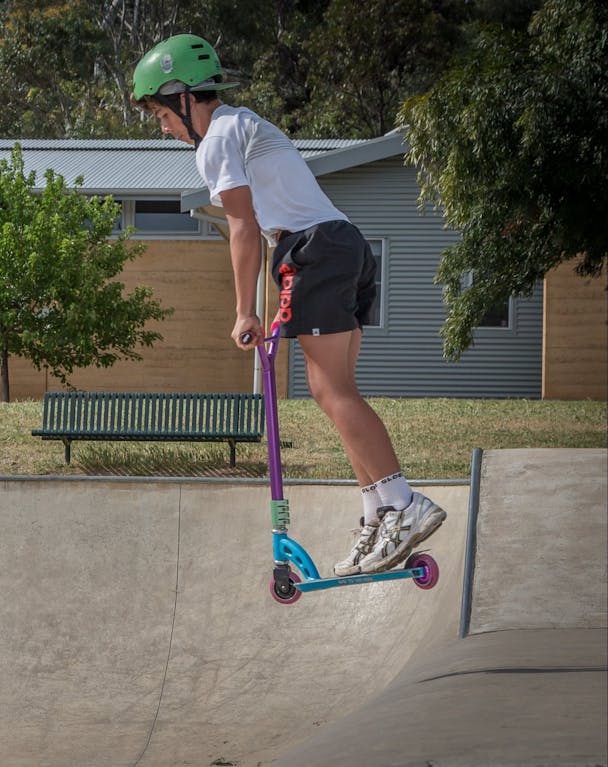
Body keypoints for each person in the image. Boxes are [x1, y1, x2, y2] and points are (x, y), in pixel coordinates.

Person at [132, 34, 445, 576]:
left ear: (184, 97)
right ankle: (377, 514)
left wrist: (244, 311)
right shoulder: (244, 123)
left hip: (313, 249)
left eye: (162, 114)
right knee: (335, 390)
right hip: (343, 242)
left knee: (330, 390)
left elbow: (242, 226)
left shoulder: (217, 139)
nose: (163, 128)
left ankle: (403, 503)